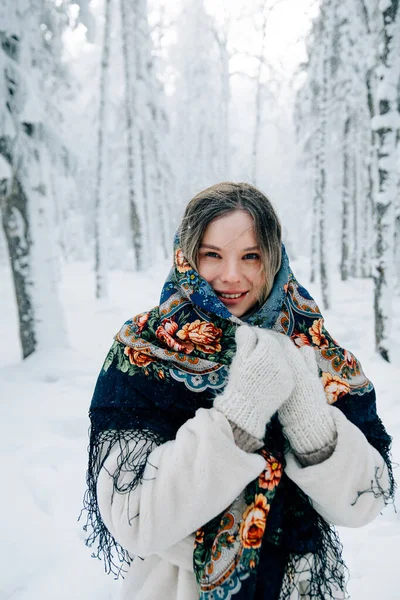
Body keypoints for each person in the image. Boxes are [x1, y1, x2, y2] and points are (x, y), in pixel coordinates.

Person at [82, 182, 394, 600]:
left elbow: (364, 502)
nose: (231, 276)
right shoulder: (145, 351)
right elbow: (134, 516)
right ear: (188, 257)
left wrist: (310, 420)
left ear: (274, 258)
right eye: (213, 255)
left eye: (251, 256)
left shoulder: (314, 348)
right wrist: (238, 418)